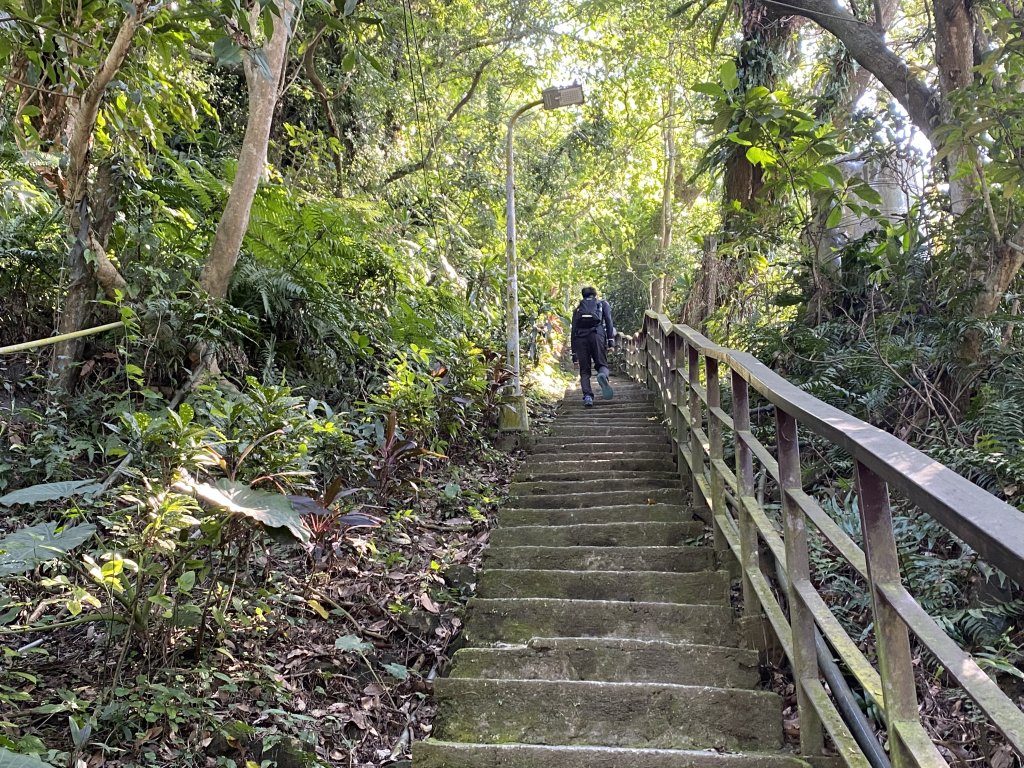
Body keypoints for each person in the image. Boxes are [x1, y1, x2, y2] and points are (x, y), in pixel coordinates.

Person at [570, 286, 616, 407]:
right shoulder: (602, 304)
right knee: (602, 364)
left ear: (583, 296)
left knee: (584, 371)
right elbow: (609, 322)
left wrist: (574, 354)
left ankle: (588, 397)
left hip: (580, 339)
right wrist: (611, 342)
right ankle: (603, 376)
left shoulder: (578, 309)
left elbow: (573, 330)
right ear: (596, 295)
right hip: (597, 336)